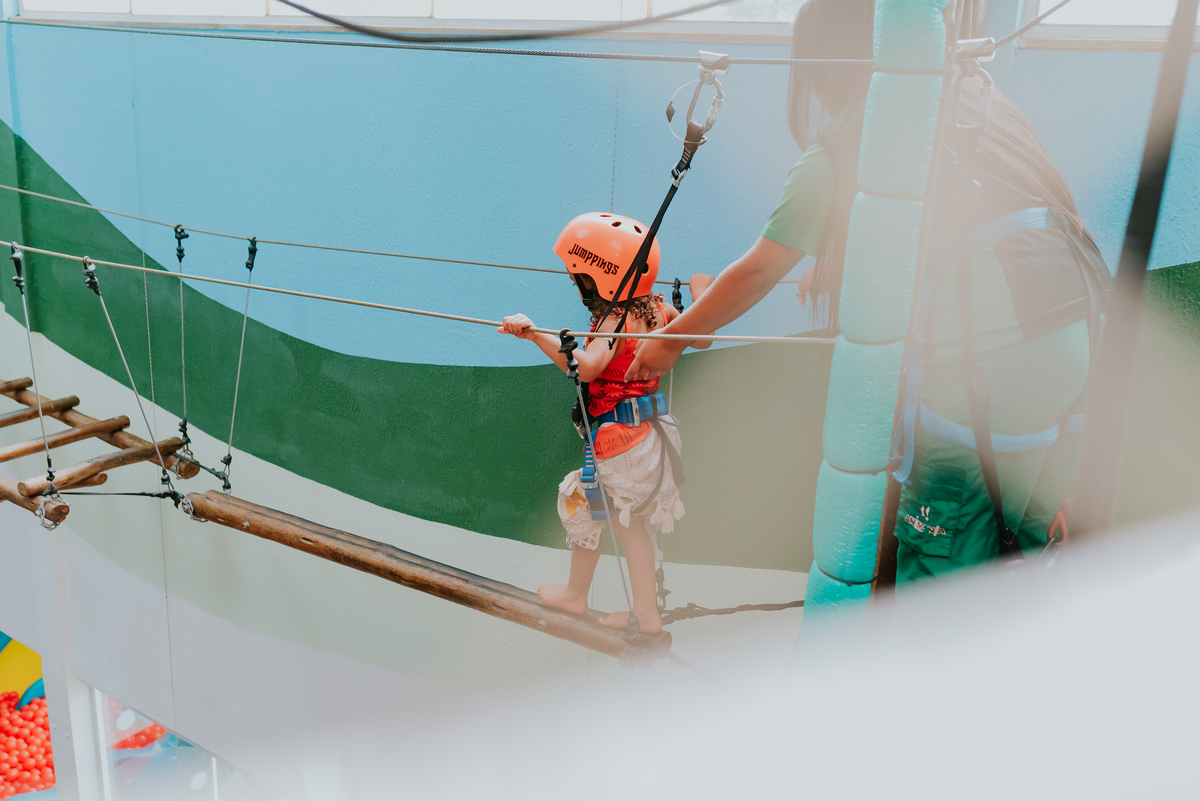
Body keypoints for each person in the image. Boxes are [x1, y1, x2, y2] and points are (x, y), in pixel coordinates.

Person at [625, 0, 1111, 582]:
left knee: (942, 565)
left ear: (820, 68)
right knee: (1021, 549)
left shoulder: (849, 137)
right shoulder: (969, 99)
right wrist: (831, 267)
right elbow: (944, 219)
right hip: (1077, 331)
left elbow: (756, 270)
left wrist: (670, 341)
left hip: (989, 368)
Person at [498, 212, 714, 633]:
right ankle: (586, 597)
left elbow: (592, 366)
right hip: (653, 434)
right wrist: (702, 290)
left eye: (581, 276)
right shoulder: (656, 308)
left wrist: (535, 335)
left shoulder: (614, 319)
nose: (579, 285)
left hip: (623, 441)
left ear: (603, 277)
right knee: (608, 517)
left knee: (601, 512)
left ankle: (635, 612)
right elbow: (702, 336)